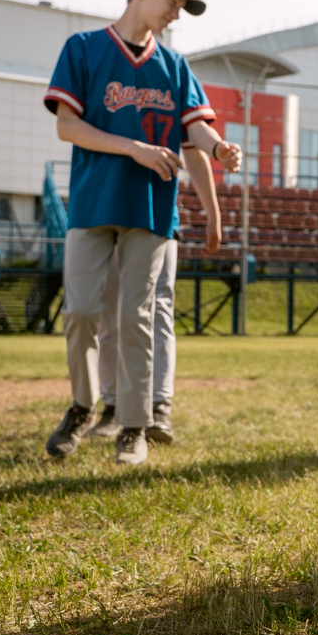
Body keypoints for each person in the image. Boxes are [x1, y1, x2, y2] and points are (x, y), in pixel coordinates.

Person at [43, 0, 241, 465]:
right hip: (93, 202)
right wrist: (135, 148)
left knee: (137, 317)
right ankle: (82, 407)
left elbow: (195, 129)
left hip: (151, 208)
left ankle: (134, 426)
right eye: (173, 3)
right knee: (80, 311)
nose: (176, 14)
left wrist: (218, 148)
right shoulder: (83, 48)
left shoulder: (174, 65)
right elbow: (67, 126)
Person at [89, 143, 224, 444]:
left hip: (158, 214)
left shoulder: (175, 107)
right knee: (110, 313)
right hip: (110, 211)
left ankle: (158, 407)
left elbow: (193, 146)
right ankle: (113, 405)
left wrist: (213, 214)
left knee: (159, 309)